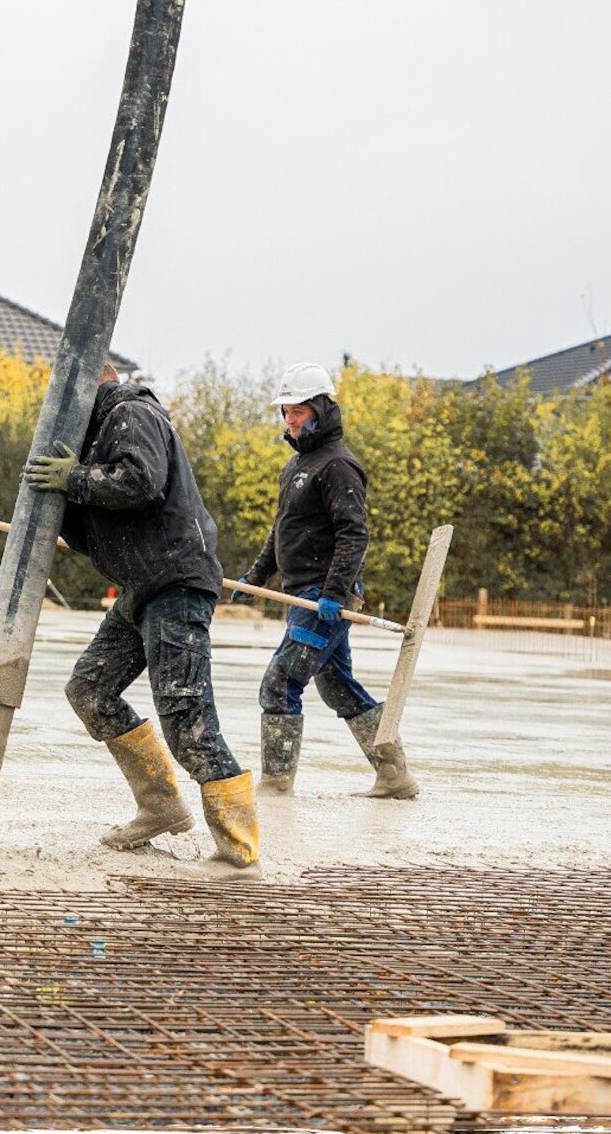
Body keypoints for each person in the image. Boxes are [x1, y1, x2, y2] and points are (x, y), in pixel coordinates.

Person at [24, 368, 259, 871]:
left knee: (187, 717)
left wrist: (76, 479)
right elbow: (94, 532)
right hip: (141, 587)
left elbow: (140, 481)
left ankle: (239, 848)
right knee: (89, 690)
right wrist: (63, 503)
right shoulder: (91, 439)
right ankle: (161, 807)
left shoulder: (131, 413)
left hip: (175, 582)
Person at [234, 362, 418, 800]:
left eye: (298, 411)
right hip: (302, 596)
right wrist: (254, 576)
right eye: (286, 412)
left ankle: (276, 786)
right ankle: (394, 775)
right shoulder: (297, 465)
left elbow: (354, 533)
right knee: (337, 686)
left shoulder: (338, 466)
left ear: (320, 408)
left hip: (324, 598)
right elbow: (282, 529)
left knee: (280, 682)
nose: (290, 420)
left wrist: (337, 593)